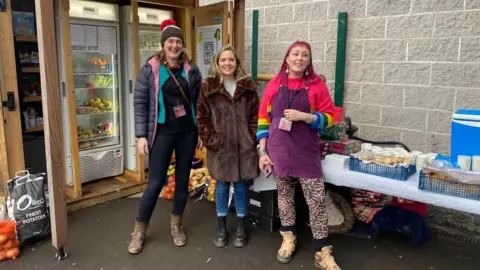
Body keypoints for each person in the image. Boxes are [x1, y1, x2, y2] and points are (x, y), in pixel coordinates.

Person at [256, 40, 341, 270]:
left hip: (305, 152)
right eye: (296, 53)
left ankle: (322, 250)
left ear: (309, 61)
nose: (300, 58)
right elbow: (264, 119)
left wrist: (306, 117)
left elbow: (331, 117)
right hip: (279, 149)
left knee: (315, 200)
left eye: (305, 55)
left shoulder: (317, 86)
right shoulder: (274, 84)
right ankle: (288, 237)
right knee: (284, 196)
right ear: (287, 57)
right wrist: (263, 151)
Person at [128, 19, 202, 254]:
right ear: (163, 44)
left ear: (182, 45)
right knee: (155, 183)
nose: (174, 45)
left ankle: (176, 225)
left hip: (187, 132)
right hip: (161, 132)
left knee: (182, 180)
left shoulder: (192, 70)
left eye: (178, 41)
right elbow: (140, 102)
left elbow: (199, 102)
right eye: (170, 41)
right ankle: (139, 231)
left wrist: (199, 129)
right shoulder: (150, 69)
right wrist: (141, 135)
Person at [197, 45, 260, 248]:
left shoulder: (247, 87)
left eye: (231, 60)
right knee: (222, 185)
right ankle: (221, 225)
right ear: (217, 62)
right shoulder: (209, 87)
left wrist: (250, 137)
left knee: (241, 185)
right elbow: (202, 117)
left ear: (236, 63)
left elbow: (255, 116)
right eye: (223, 60)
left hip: (243, 147)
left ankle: (241, 226)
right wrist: (213, 140)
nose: (227, 63)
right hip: (221, 147)